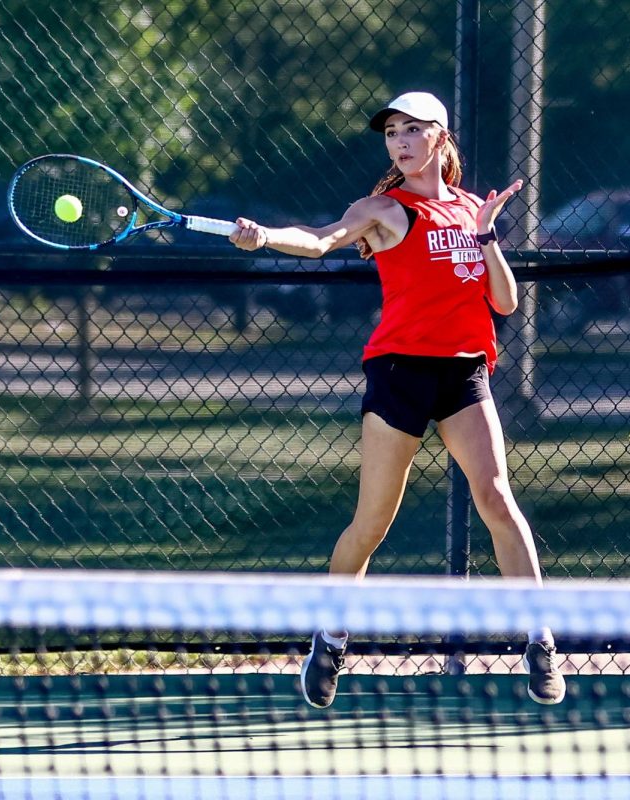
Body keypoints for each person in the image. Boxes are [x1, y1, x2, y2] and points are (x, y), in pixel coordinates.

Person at [229, 91, 564, 707]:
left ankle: (539, 639)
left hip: (464, 375)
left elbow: (507, 304)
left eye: (412, 130)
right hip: (399, 374)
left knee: (497, 497)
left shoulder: (471, 210)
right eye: (391, 133)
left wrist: (488, 236)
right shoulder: (382, 209)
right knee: (372, 523)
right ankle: (331, 637)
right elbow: (323, 240)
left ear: (441, 138)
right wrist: (267, 237)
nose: (400, 142)